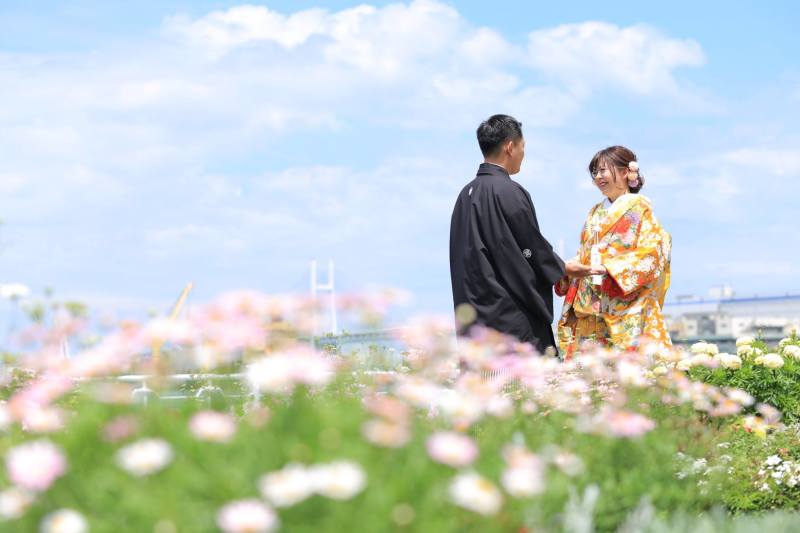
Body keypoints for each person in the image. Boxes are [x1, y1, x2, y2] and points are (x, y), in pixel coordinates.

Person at [449, 114, 595, 355]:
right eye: (522, 147)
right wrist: (563, 268)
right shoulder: (509, 191)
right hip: (510, 317)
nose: (523, 155)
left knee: (483, 385)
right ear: (510, 146)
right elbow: (530, 248)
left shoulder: (465, 194)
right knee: (518, 387)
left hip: (474, 315)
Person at [556, 146, 672, 359]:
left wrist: (605, 268)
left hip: (626, 306)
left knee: (626, 377)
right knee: (591, 377)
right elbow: (585, 254)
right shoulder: (594, 212)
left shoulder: (640, 208)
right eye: (595, 172)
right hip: (590, 304)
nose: (598, 177)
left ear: (627, 172)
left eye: (603, 170)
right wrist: (567, 269)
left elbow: (652, 253)